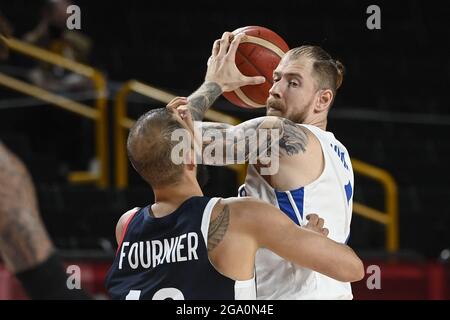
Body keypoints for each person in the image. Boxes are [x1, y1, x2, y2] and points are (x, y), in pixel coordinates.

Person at [104, 98, 363, 300]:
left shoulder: (125, 226)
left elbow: (160, 143)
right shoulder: (241, 217)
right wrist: (311, 240)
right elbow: (352, 269)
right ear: (192, 156)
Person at [181, 31, 355, 299]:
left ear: (323, 100)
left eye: (293, 83)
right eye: (276, 78)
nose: (274, 89)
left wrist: (213, 83)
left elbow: (173, 140)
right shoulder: (338, 151)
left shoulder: (280, 135)